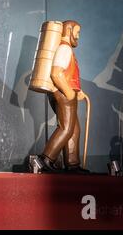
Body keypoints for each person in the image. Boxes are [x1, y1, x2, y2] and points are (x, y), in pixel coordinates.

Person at [38, 20, 90, 174]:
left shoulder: (65, 49)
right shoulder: (64, 49)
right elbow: (56, 73)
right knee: (66, 128)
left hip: (66, 92)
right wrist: (69, 92)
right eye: (77, 32)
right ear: (69, 30)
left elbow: (68, 74)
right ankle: (45, 159)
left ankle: (72, 164)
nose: (78, 36)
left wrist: (77, 91)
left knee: (74, 129)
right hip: (63, 93)